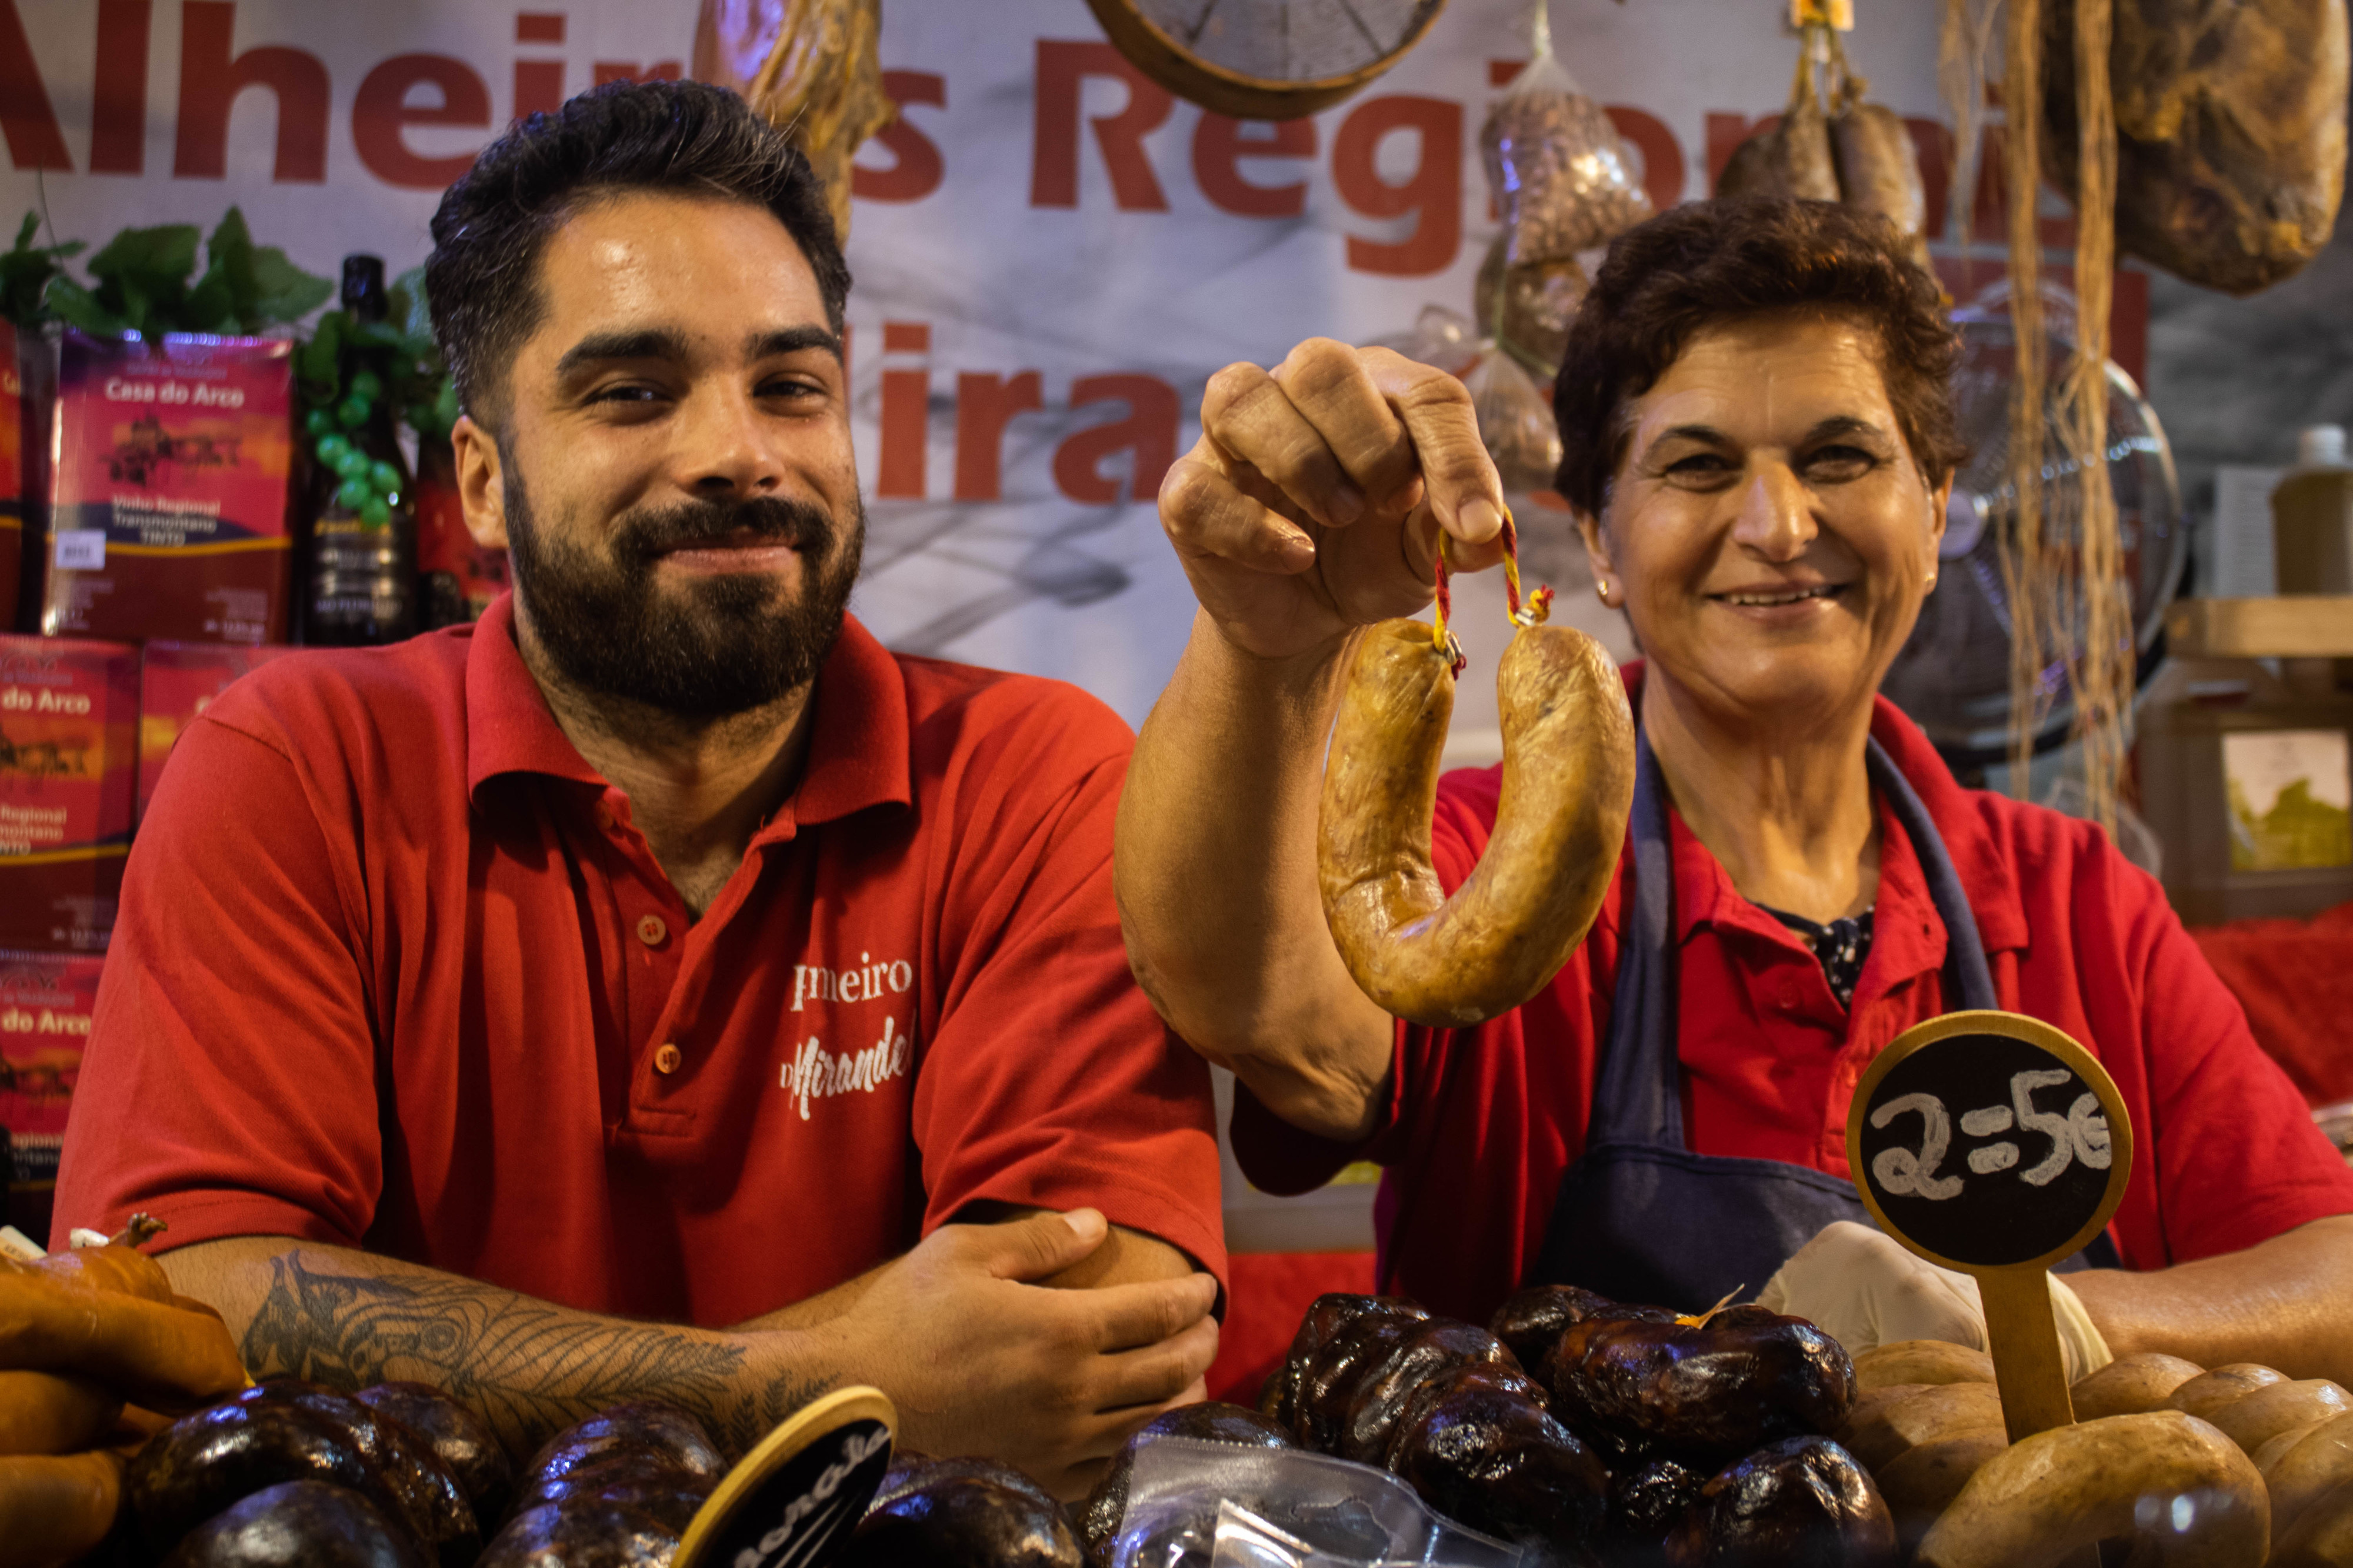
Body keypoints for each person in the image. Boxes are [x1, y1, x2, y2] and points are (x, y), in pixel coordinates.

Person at [53, 80, 1222, 1496]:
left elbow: (1089, 1349)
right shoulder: (297, 766)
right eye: (632, 392)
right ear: (482, 483)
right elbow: (177, 1315)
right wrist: (824, 1389)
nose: (740, 451)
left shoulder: (1036, 774)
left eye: (791, 384)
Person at [1118, 198, 2353, 1380]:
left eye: (1840, 455)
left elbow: (2330, 1269)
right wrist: (1259, 642)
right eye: (1698, 467)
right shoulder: (1480, 856)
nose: (1777, 521)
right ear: (1597, 539)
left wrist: (2063, 1330)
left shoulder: (2075, 896)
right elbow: (1257, 1001)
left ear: (1933, 515)